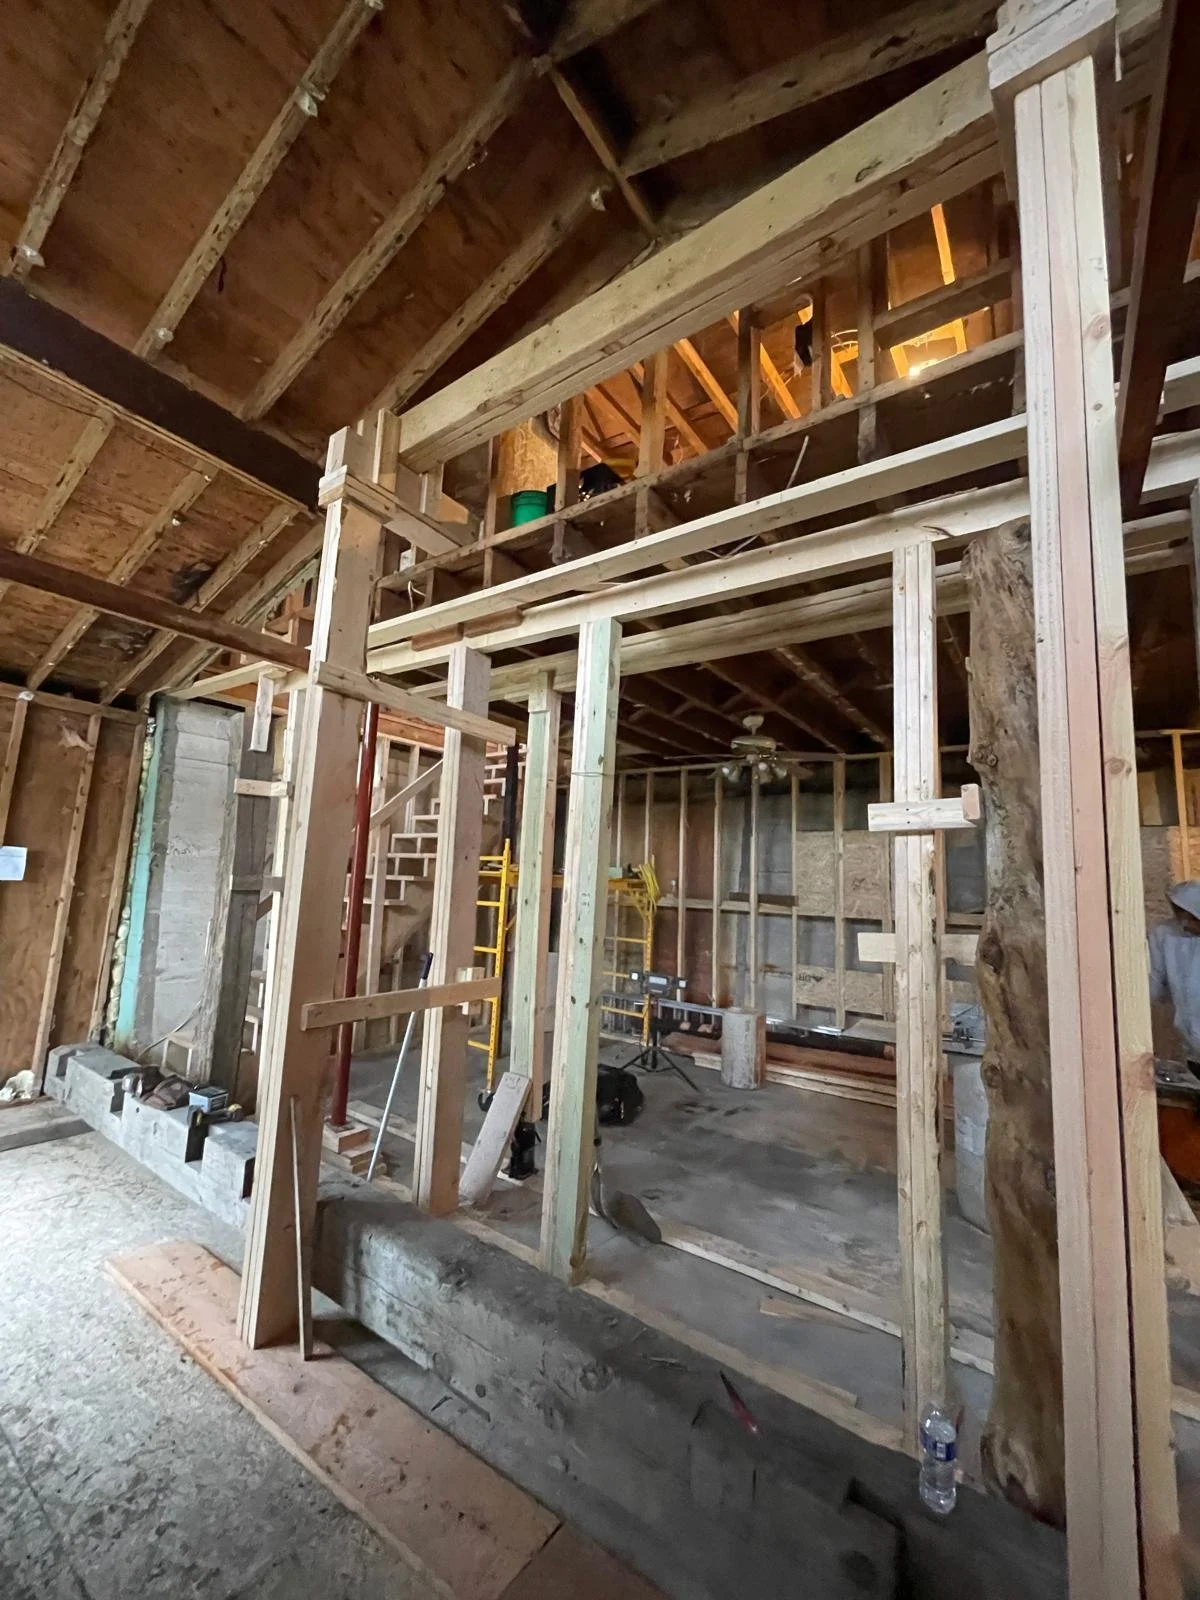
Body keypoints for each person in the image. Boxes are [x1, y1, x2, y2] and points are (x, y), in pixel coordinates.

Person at [1149, 881, 1200, 1068]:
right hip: (1193, 1049)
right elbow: (1154, 985)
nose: (1185, 923)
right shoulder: (1166, 936)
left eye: (1191, 917)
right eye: (1181, 915)